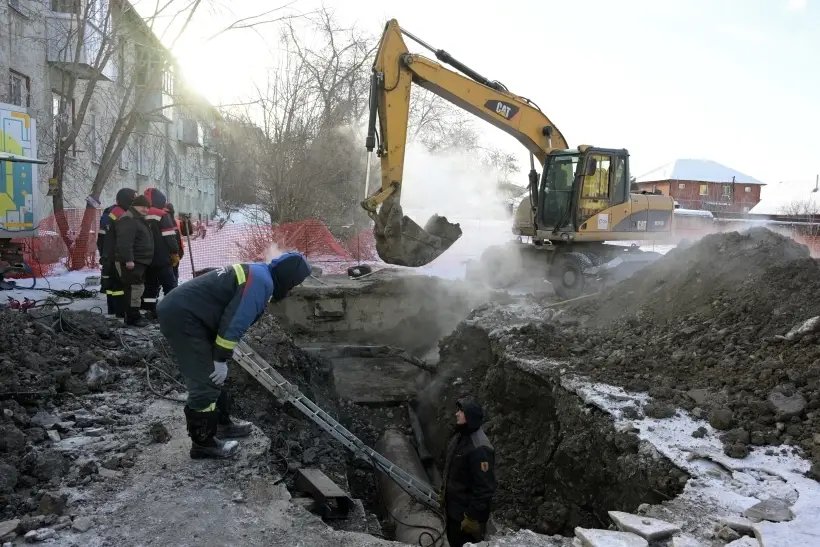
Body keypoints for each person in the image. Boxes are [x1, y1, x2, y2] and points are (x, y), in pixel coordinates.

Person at [156, 251, 312, 459]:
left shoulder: (260, 274)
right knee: (206, 379)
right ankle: (203, 444)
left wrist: (221, 357)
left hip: (192, 315)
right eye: (294, 283)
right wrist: (220, 358)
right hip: (184, 318)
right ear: (288, 277)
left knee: (214, 375)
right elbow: (234, 322)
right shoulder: (261, 282)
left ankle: (222, 424)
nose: (292, 288)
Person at [440, 397, 496, 547]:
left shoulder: (480, 449)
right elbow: (452, 469)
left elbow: (485, 489)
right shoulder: (461, 437)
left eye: (461, 411)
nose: (456, 414)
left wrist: (472, 518)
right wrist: (443, 492)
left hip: (464, 518)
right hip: (453, 511)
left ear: (470, 417)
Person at [113, 194, 154, 327]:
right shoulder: (129, 219)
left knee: (136, 288)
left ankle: (133, 314)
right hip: (132, 262)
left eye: (148, 208)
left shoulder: (137, 218)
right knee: (134, 289)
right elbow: (124, 242)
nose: (146, 210)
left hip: (139, 261)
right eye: (143, 207)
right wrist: (129, 259)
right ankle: (132, 317)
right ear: (136, 205)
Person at [141, 188, 180, 318]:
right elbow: (170, 237)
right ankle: (172, 311)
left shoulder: (140, 214)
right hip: (162, 257)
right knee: (170, 285)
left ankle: (149, 310)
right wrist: (175, 252)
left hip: (145, 258)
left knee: (150, 285)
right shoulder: (162, 215)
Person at [98, 188, 137, 318]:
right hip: (117, 256)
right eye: (133, 199)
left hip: (110, 255)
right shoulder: (121, 215)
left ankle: (113, 310)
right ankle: (120, 312)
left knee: (113, 286)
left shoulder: (112, 213)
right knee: (119, 286)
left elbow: (103, 238)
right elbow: (123, 239)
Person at [164, 202, 184, 281]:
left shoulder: (176, 222)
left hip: (176, 252)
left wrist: (187, 221)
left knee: (174, 274)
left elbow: (187, 232)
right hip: (169, 254)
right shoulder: (162, 221)